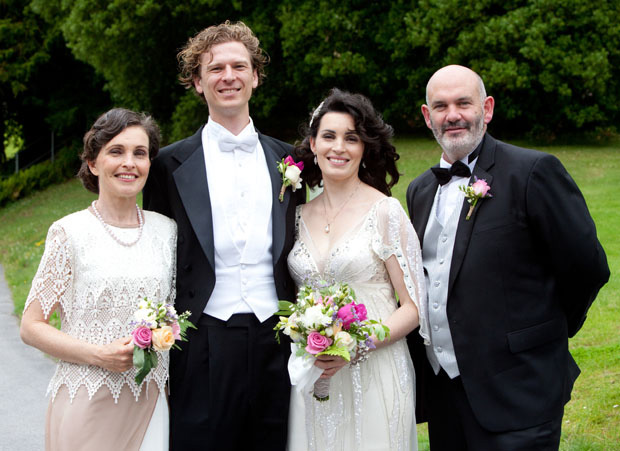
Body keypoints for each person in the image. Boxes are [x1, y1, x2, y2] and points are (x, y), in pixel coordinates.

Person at [406, 65, 610, 450]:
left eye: (463, 103)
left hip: (520, 390)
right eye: (441, 105)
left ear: (487, 108)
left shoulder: (532, 172)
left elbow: (587, 267)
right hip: (445, 393)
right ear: (426, 115)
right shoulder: (419, 191)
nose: (452, 115)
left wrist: (542, 333)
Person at [142, 21, 304, 450]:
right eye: (215, 69)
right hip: (202, 339)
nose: (228, 76)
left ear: (255, 76)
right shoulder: (168, 165)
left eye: (239, 66)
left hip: (278, 334)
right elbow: (155, 249)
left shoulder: (290, 159)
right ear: (197, 81)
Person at [20, 108, 175, 450]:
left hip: (151, 403)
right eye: (116, 152)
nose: (129, 163)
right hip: (87, 398)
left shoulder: (166, 231)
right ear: (93, 163)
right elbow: (31, 326)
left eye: (140, 153)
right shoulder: (68, 233)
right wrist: (98, 354)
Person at [286, 88, 428, 451]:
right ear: (313, 144)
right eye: (329, 136)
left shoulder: (386, 212)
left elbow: (413, 307)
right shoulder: (296, 215)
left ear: (365, 148)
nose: (339, 148)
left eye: (352, 138)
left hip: (375, 368)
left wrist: (356, 344)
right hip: (314, 372)